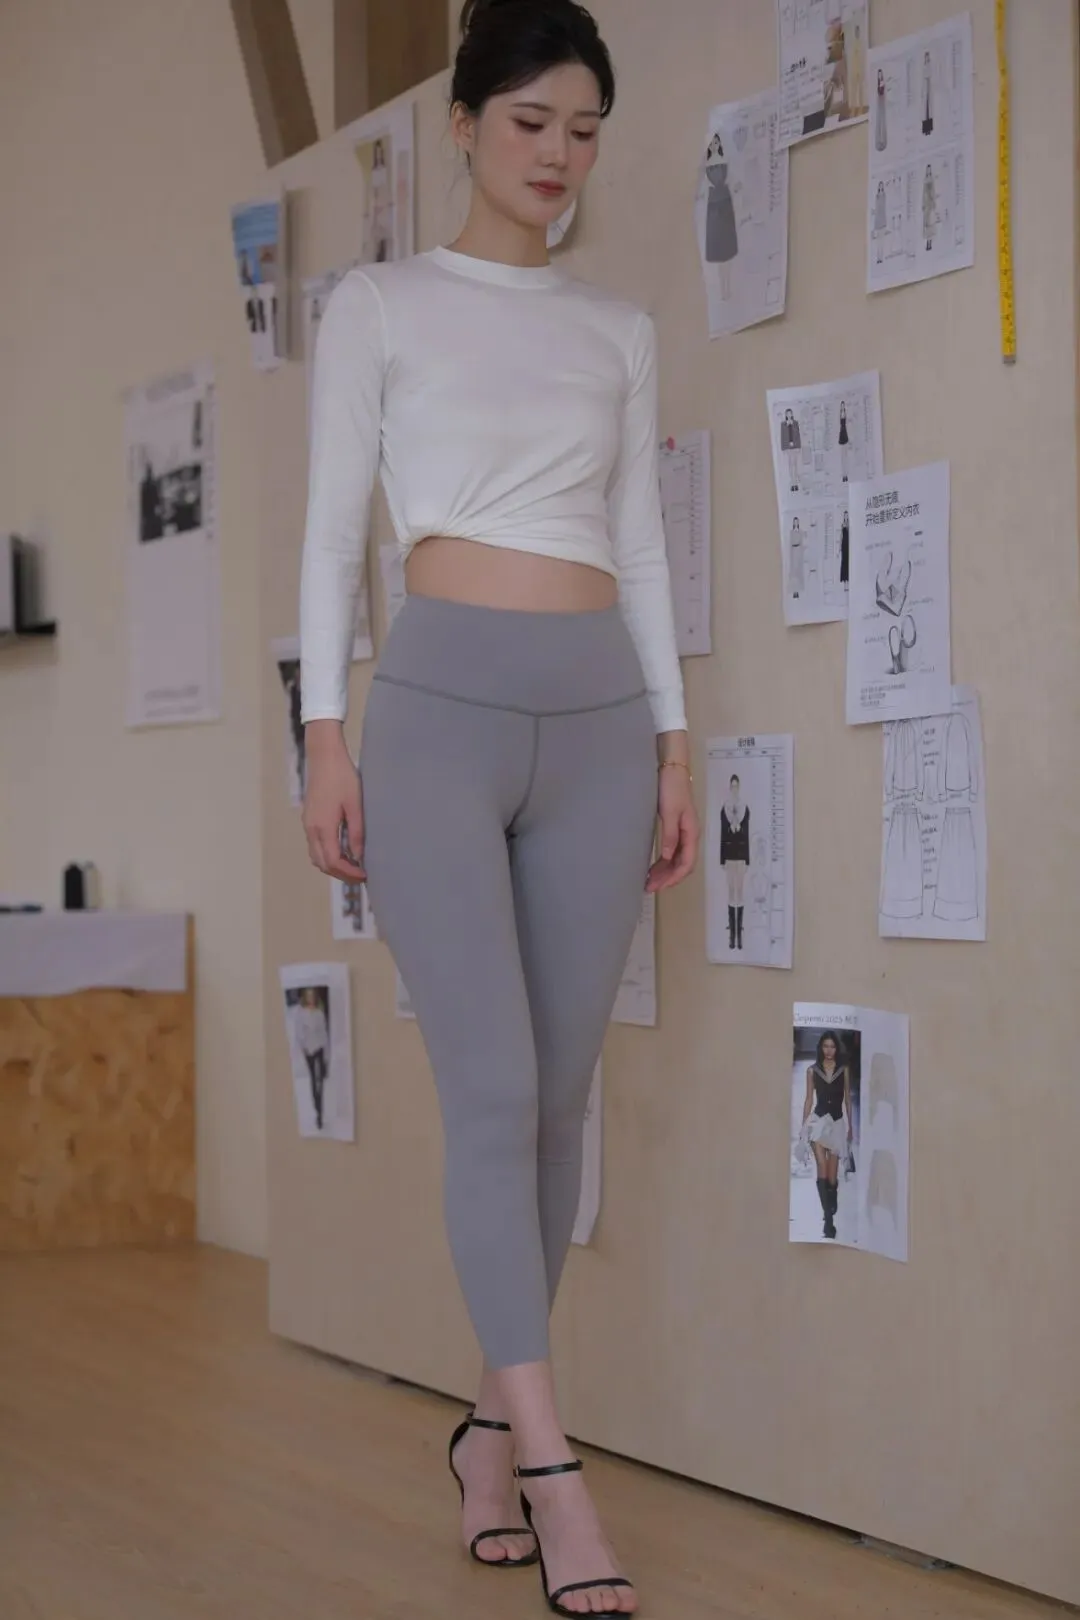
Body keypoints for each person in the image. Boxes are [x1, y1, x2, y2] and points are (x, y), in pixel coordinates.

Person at [298, 2, 698, 1613]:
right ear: (462, 124)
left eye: (585, 130)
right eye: (532, 122)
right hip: (438, 720)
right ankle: (551, 1465)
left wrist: (674, 745)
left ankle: (484, 1427)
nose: (559, 155)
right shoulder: (380, 305)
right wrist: (325, 737)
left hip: (600, 722)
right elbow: (333, 533)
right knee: (491, 1090)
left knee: (556, 1103)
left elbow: (642, 546)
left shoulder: (617, 328)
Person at [800, 1031, 853, 1240]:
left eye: (832, 1046)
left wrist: (851, 1127)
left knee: (832, 1175)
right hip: (818, 1123)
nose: (829, 1050)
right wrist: (803, 1126)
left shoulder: (843, 1070)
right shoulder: (812, 1071)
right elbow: (808, 1100)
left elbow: (847, 1099)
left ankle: (832, 1200)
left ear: (836, 1048)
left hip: (837, 1124)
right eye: (825, 1046)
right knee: (821, 1166)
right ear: (820, 1048)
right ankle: (828, 1221)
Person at [719, 774, 749, 950]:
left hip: (741, 856)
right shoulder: (725, 808)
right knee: (731, 892)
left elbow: (746, 834)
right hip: (730, 856)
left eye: (737, 786)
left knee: (740, 892)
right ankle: (732, 935)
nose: (734, 789)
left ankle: (740, 935)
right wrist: (722, 859)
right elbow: (723, 836)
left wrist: (747, 859)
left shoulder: (745, 808)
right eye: (733, 786)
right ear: (730, 788)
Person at [293, 987, 330, 1131]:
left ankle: (320, 1112)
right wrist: (304, 1047)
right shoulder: (301, 1013)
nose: (311, 998)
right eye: (308, 996)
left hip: (319, 1047)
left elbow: (324, 1032)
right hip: (309, 1049)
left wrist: (326, 1052)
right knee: (314, 1080)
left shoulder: (319, 1013)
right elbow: (299, 1032)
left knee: (320, 1080)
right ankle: (317, 1110)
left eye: (313, 996)